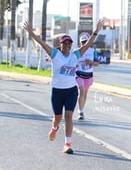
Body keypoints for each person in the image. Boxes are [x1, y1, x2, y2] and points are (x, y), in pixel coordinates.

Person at [23, 20, 104, 154]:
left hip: (71, 90)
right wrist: (31, 33)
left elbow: (89, 43)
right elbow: (42, 43)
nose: (67, 45)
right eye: (64, 43)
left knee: (68, 116)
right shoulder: (55, 54)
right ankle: (54, 128)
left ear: (71, 45)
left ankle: (67, 144)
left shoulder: (75, 55)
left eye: (69, 43)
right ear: (60, 45)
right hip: (57, 91)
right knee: (57, 118)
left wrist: (96, 31)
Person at [76, 35, 100, 120]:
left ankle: (81, 108)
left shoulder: (93, 51)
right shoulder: (77, 51)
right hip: (79, 74)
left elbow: (97, 63)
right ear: (80, 43)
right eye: (82, 42)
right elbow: (72, 61)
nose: (84, 44)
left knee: (85, 93)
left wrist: (91, 62)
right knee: (81, 92)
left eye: (86, 42)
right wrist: (75, 65)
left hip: (88, 75)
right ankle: (80, 112)